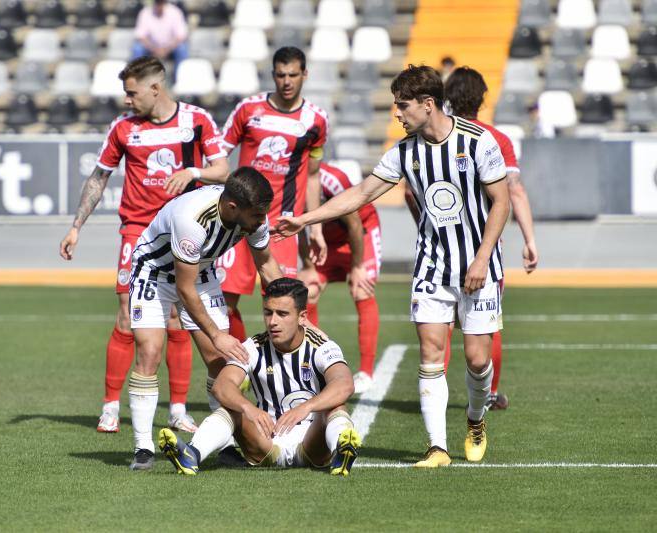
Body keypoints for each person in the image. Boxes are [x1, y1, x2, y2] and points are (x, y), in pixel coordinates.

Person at [274, 64, 510, 468]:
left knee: (476, 359)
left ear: (428, 104)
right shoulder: (404, 152)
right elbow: (361, 193)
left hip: (478, 265)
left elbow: (501, 202)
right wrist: (305, 219)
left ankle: (475, 419)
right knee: (431, 353)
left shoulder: (478, 141)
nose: (396, 114)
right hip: (432, 267)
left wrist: (483, 255)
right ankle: (437, 447)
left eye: (402, 106)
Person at [59, 57, 229, 435]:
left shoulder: (196, 120)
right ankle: (109, 406)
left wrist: (193, 172)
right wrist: (76, 227)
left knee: (178, 317)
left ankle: (179, 409)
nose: (126, 101)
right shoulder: (123, 128)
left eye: (132, 93)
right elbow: (99, 176)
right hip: (138, 232)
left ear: (156, 88)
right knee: (126, 314)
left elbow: (223, 169)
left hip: (184, 228)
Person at [124, 168, 283, 469]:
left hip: (201, 270)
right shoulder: (192, 220)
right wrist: (216, 333)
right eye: (256, 216)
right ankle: (143, 447)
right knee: (149, 352)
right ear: (233, 207)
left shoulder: (254, 216)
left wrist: (291, 309)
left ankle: (222, 442)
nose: (261, 223)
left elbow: (267, 266)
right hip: (154, 272)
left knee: (220, 362)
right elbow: (184, 289)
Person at [421, 65, 539, 410]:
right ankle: (488, 394)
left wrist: (426, 226)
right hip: (483, 253)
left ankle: (435, 395)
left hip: (440, 250)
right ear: (483, 98)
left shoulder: (436, 135)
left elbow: (415, 195)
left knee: (437, 327)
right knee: (487, 327)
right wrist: (529, 239)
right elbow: (514, 191)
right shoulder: (496, 139)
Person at [158, 277, 360, 476]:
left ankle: (340, 453)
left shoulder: (322, 346)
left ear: (302, 317)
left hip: (312, 442)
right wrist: (248, 407)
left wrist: (306, 407)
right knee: (232, 406)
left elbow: (344, 384)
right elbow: (221, 386)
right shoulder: (253, 347)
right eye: (268, 313)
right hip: (266, 442)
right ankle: (191, 454)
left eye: (282, 314)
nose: (273, 322)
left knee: (335, 404)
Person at [216, 46, 329, 343]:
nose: (287, 81)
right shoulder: (248, 110)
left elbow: (313, 175)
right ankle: (239, 367)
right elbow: (218, 157)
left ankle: (294, 376)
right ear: (273, 76)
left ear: (305, 74)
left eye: (293, 74)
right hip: (239, 224)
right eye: (280, 75)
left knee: (284, 305)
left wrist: (315, 228)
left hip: (282, 227)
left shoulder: (316, 120)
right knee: (223, 305)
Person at [297, 162, 381, 394]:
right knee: (308, 290)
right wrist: (307, 265)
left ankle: (366, 372)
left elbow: (354, 223)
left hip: (360, 232)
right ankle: (313, 362)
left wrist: (357, 266)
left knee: (361, 288)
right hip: (325, 238)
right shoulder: (287, 180)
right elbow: (295, 228)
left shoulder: (332, 180)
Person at [132, 0, 188, 67]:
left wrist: (166, 50)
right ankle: (137, 76)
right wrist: (154, 49)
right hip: (150, 47)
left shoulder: (175, 12)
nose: (159, 5)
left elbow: (181, 36)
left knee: (182, 49)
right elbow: (141, 36)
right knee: (137, 48)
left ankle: (179, 76)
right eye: (157, 2)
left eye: (161, 2)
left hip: (171, 47)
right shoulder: (145, 12)